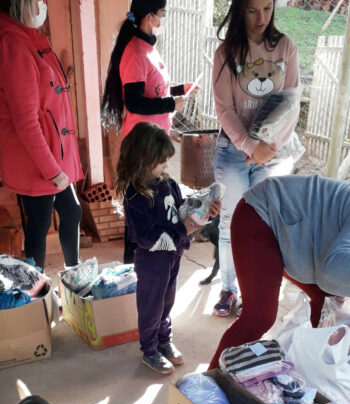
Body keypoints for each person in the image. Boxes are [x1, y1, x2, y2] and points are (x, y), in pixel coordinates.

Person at [212, 0, 300, 317]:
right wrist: (251, 147)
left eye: (267, 8)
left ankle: (254, 294)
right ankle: (227, 290)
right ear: (239, 10)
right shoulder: (226, 52)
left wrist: (268, 147)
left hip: (272, 153)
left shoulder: (285, 46)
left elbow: (291, 101)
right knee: (230, 223)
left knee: (263, 226)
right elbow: (225, 109)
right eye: (252, 10)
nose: (261, 17)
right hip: (234, 152)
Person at [208, 174, 350, 369]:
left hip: (295, 235)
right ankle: (207, 387)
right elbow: (333, 270)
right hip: (261, 215)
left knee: (329, 304)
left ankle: (313, 374)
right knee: (258, 317)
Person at [116, 122, 221, 375]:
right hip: (152, 262)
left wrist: (202, 210)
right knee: (151, 305)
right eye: (161, 161)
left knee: (167, 301)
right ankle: (149, 351)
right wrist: (182, 230)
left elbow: (181, 208)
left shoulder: (168, 183)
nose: (165, 165)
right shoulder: (135, 194)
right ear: (142, 159)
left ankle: (164, 341)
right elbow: (145, 237)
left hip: (174, 256)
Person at [101, 0, 195, 264]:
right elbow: (134, 101)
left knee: (154, 204)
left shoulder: (149, 47)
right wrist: (169, 104)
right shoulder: (134, 52)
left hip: (155, 141)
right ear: (148, 16)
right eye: (161, 14)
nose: (163, 20)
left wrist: (178, 89)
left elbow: (154, 88)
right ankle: (133, 269)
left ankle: (151, 260)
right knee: (139, 211)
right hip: (141, 143)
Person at [0, 0, 83, 271]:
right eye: (38, 1)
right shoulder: (13, 43)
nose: (42, 6)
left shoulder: (29, 37)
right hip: (34, 160)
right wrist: (51, 170)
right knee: (39, 227)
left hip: (50, 154)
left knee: (71, 212)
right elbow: (26, 121)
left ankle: (74, 276)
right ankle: (37, 297)